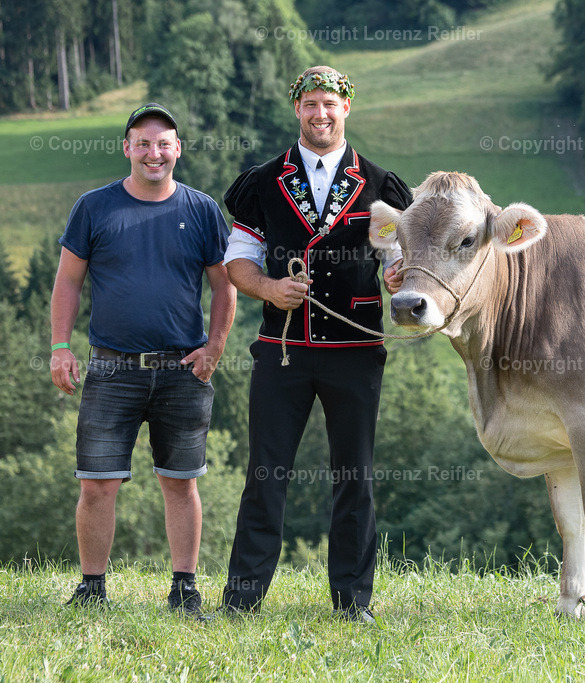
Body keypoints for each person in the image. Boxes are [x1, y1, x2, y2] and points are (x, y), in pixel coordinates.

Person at [220, 66, 412, 621]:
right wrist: (269, 289)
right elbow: (238, 262)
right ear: (297, 110)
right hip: (282, 349)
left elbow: (393, 258)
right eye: (310, 104)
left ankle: (353, 604)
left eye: (329, 103)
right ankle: (242, 600)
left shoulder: (379, 185)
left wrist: (398, 274)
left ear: (346, 109)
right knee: (266, 473)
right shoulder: (262, 181)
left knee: (355, 475)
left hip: (355, 351)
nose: (320, 114)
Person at [50, 103, 236, 616]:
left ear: (177, 149)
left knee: (181, 481)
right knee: (97, 485)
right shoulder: (94, 207)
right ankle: (92, 589)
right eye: (144, 143)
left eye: (164, 143)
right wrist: (60, 347)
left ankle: (184, 589)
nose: (154, 153)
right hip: (111, 368)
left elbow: (225, 286)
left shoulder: (201, 210)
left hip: (183, 368)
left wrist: (215, 347)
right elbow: (68, 280)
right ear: (127, 148)